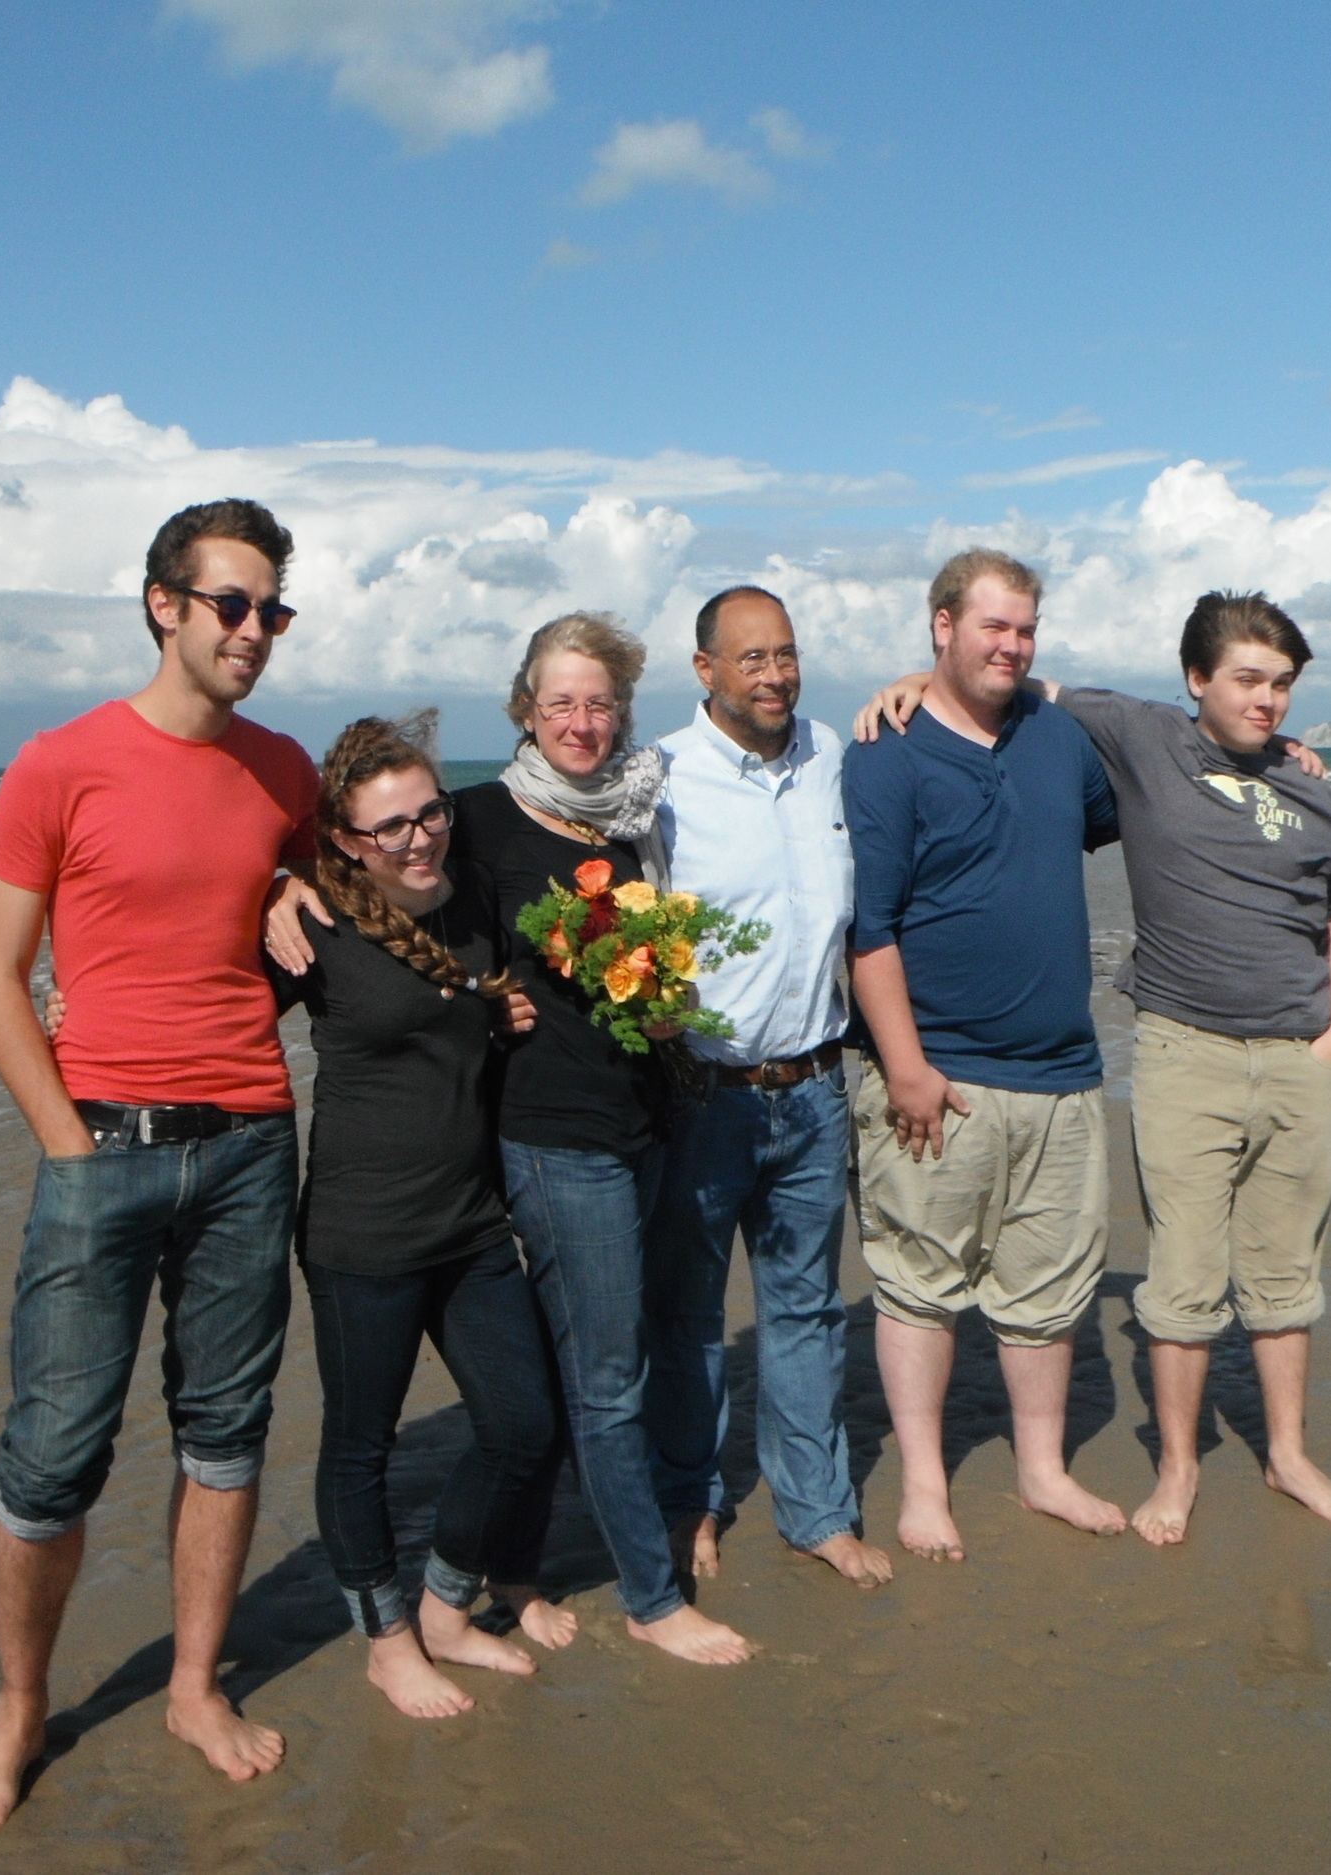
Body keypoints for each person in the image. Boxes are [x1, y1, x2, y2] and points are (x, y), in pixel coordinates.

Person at [270, 613, 754, 1665]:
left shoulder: (630, 820)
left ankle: (503, 1579)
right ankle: (646, 1596)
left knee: (542, 1389)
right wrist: (285, 882)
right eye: (559, 702)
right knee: (596, 1376)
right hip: (530, 1144)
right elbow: (326, 895)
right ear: (524, 711)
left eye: (600, 701)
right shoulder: (479, 821)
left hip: (622, 1131)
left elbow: (469, 951)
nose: (581, 722)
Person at [0, 499, 316, 1836]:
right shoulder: (63, 760)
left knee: (226, 1432)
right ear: (164, 603)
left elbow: (349, 892)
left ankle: (197, 1684)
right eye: (234, 603)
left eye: (275, 607)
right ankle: (22, 1706)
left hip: (252, 1142)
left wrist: (290, 884)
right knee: (51, 1455)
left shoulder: (286, 772)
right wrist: (65, 1140)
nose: (257, 630)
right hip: (98, 1141)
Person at [854, 591, 1331, 1547]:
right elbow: (1010, 685)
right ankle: (1150, 1470)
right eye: (1248, 679)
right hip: (1166, 1050)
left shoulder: (1303, 785)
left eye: (1283, 685)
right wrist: (912, 684)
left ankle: (1275, 1453)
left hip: (1257, 1060)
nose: (1267, 700)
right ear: (1196, 680)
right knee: (1146, 1275)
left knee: (1266, 1274)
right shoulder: (1136, 734)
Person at [275, 713, 587, 1717]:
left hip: (468, 1222)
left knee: (523, 1424)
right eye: (391, 828)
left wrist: (503, 1017)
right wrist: (74, 1016)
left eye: (431, 815)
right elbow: (206, 1001)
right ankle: (386, 1640)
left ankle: (448, 1607)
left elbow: (464, 1014)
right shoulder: (312, 917)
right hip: (361, 1237)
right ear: (345, 842)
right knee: (360, 1447)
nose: (420, 840)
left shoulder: (464, 906)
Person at [842, 549, 1127, 1566]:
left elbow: (1138, 789)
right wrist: (906, 1067)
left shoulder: (1056, 739)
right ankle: (924, 1486)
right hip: (939, 1074)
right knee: (920, 1283)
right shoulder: (887, 750)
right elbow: (868, 928)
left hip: (1060, 1071)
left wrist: (1290, 751)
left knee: (1048, 1291)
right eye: (992, 627)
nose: (1009, 646)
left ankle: (1042, 1471)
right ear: (941, 626)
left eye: (1025, 631)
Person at [644, 586, 893, 1589]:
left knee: (806, 1311)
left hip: (815, 1086)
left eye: (785, 655)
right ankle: (687, 1507)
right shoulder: (655, 776)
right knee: (689, 1315)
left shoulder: (834, 755)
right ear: (704, 670)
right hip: (704, 1094)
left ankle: (816, 1513)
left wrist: (918, 680)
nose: (774, 675)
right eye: (750, 658)